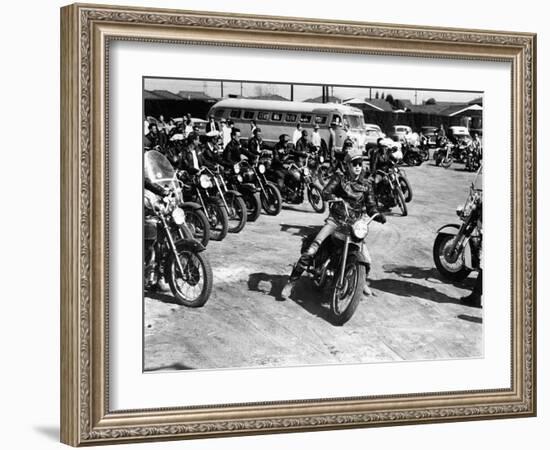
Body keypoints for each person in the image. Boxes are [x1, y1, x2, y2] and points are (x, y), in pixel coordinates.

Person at [281, 148, 385, 299]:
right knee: (312, 249)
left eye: (360, 163)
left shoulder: (366, 184)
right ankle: (291, 282)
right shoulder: (339, 177)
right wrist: (333, 197)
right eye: (354, 163)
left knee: (366, 259)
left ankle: (359, 281)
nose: (357, 166)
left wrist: (377, 214)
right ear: (348, 164)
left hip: (354, 224)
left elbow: (371, 205)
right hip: (336, 220)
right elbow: (326, 192)